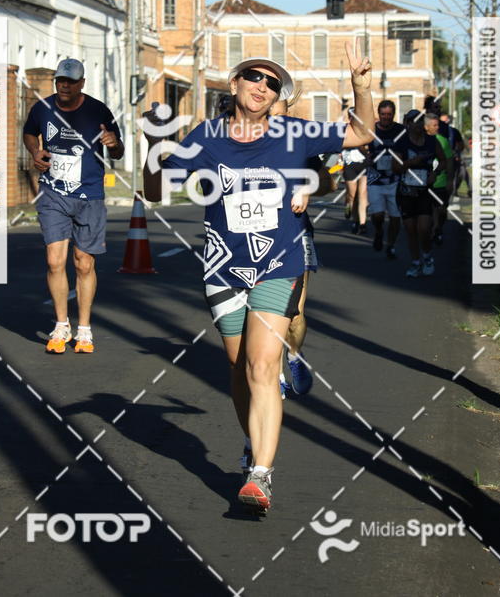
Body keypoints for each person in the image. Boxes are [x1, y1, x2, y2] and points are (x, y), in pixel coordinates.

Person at [142, 46, 374, 513]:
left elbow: (360, 133)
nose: (262, 86)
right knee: (239, 368)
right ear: (235, 84)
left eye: (271, 83)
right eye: (253, 77)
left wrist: (361, 86)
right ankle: (252, 443)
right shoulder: (206, 136)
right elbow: (155, 190)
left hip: (279, 263)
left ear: (276, 95)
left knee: (263, 366)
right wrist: (152, 145)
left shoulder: (294, 133)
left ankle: (261, 475)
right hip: (223, 266)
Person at [23, 58, 124, 354]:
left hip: (89, 195)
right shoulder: (42, 108)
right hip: (53, 193)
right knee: (55, 261)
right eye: (60, 81)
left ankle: (84, 329)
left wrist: (112, 141)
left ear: (82, 83)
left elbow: (117, 151)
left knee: (84, 263)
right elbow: (30, 132)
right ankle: (61, 324)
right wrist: (35, 150)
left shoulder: (98, 110)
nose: (64, 86)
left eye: (70, 81)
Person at [269, 96, 335, 399]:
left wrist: (307, 187)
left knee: (293, 313)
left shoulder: (297, 143)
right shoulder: (240, 142)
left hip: (295, 234)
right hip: (253, 241)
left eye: (279, 114)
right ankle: (275, 374)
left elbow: (328, 183)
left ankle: (293, 355)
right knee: (262, 314)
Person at [393, 109, 446, 278]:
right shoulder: (401, 143)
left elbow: (443, 161)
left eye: (418, 121)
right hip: (406, 191)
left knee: (424, 228)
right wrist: (410, 163)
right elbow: (395, 167)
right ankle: (415, 262)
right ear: (407, 124)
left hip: (424, 191)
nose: (416, 125)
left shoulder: (431, 141)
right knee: (410, 230)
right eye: (412, 122)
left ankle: (427, 256)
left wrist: (435, 173)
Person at [366, 99, 405, 259]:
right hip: (375, 179)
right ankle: (379, 231)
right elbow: (361, 145)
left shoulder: (400, 131)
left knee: (395, 217)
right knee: (378, 215)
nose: (386, 117)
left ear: (393, 114)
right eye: (383, 114)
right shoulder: (372, 130)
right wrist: (366, 157)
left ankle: (391, 245)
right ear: (379, 114)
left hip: (395, 180)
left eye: (389, 114)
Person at [424, 113, 454, 245]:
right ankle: (433, 232)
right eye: (434, 125)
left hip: (441, 181)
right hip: (426, 182)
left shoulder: (442, 140)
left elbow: (449, 161)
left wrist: (449, 180)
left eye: (438, 125)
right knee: (430, 210)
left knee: (441, 210)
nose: (437, 127)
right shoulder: (421, 141)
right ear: (426, 127)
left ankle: (438, 228)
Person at [342, 113, 368, 234]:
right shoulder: (344, 131)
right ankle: (350, 210)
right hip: (350, 166)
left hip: (363, 165)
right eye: (352, 116)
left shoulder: (365, 131)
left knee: (362, 194)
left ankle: (362, 223)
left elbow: (369, 148)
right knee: (352, 195)